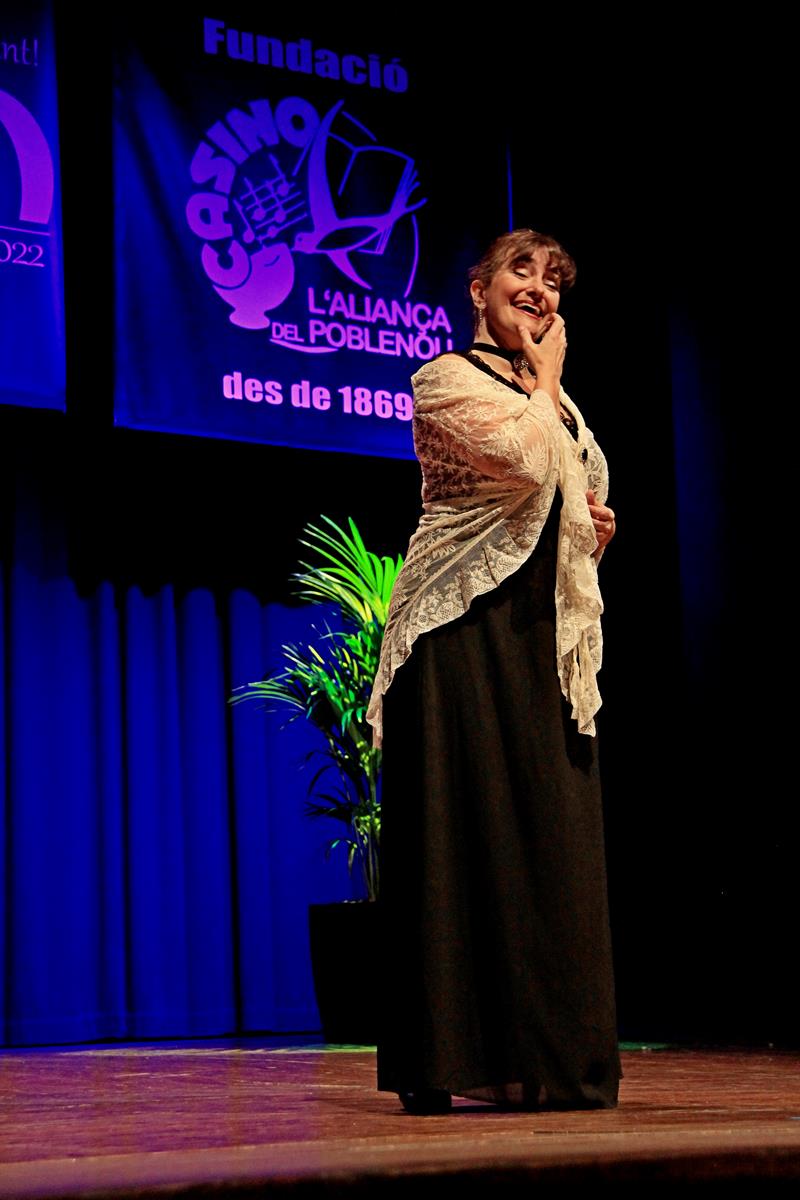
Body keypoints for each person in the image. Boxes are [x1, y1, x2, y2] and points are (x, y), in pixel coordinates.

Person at [366, 229, 622, 1114]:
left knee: (554, 840)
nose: (541, 289)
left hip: (540, 635)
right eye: (523, 270)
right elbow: (522, 457)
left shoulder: (561, 403)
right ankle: (442, 1059)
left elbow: (566, 493)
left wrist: (593, 524)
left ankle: (557, 1059)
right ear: (479, 290)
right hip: (459, 632)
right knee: (455, 839)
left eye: (555, 281)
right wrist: (547, 380)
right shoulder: (444, 379)